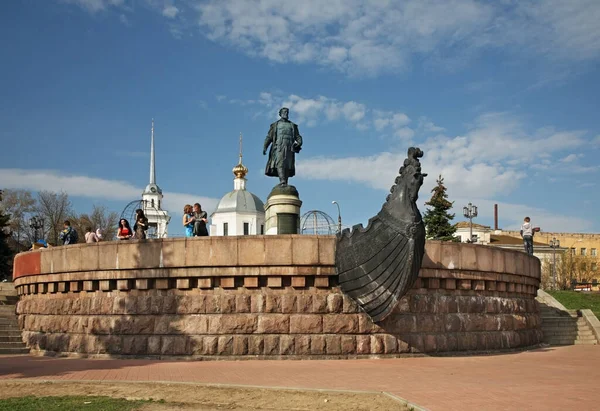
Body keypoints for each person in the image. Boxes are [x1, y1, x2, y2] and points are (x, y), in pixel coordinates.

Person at [263, 107, 303, 186]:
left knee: (288, 164)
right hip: (279, 147)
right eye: (284, 112)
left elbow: (298, 136)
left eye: (287, 112)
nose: (286, 114)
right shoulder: (275, 125)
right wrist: (265, 146)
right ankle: (282, 180)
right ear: (280, 114)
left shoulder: (292, 125)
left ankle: (285, 181)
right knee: (280, 163)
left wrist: (299, 143)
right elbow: (269, 137)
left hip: (289, 147)